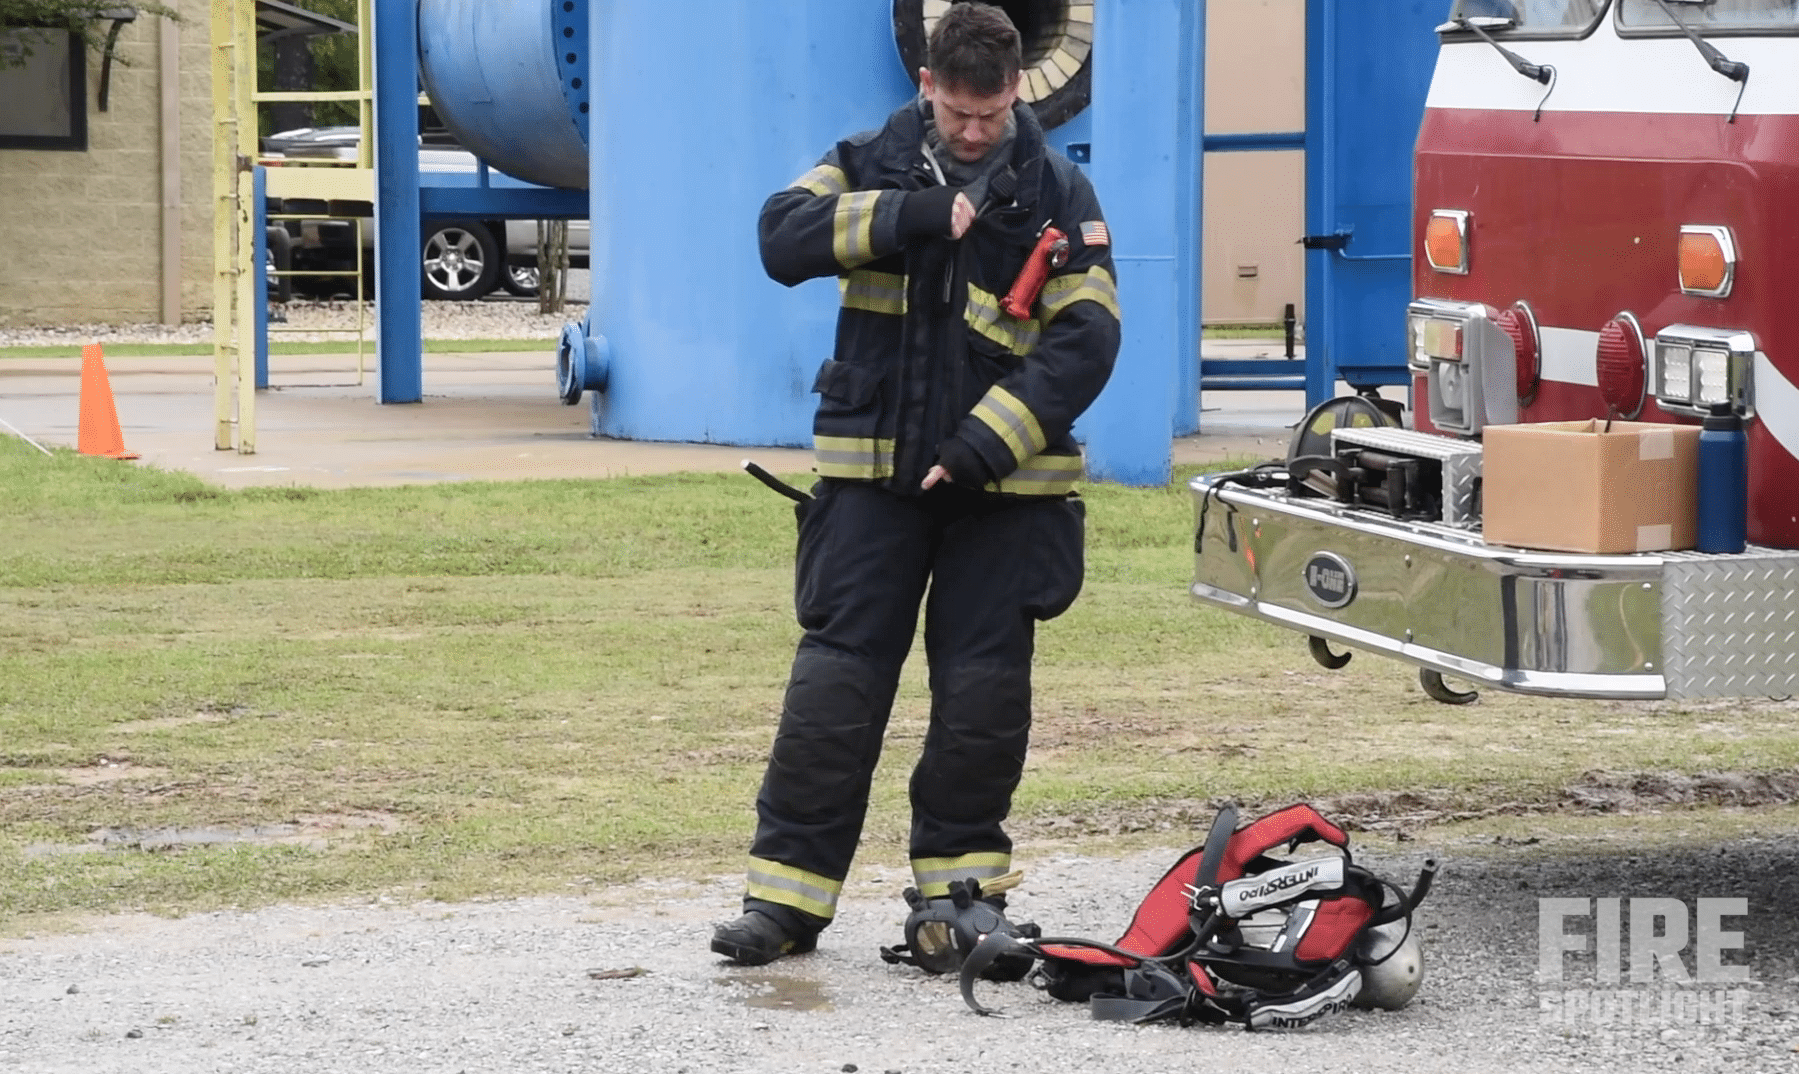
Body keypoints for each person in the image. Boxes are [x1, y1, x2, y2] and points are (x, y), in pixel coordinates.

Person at [712, 2, 1121, 966]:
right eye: (956, 114)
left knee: (981, 703)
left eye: (990, 114)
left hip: (1001, 497)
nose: (974, 132)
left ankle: (956, 904)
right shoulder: (867, 157)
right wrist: (904, 214)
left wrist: (983, 444)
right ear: (927, 86)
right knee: (833, 691)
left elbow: (1087, 340)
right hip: (870, 486)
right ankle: (784, 904)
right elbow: (782, 237)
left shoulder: (1060, 192)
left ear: (1015, 90)